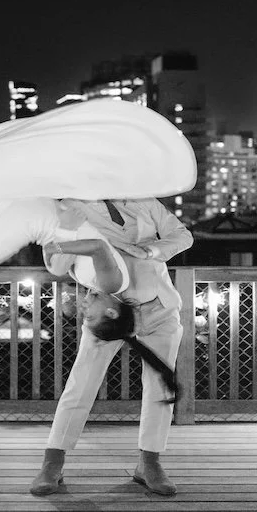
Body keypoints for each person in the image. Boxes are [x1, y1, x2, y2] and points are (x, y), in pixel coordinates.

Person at [29, 197, 192, 497]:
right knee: (81, 384)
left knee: (160, 388)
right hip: (107, 312)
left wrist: (151, 250)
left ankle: (150, 462)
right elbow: (56, 264)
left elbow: (183, 235)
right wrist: (64, 231)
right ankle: (52, 463)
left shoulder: (144, 200)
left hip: (159, 307)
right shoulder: (67, 207)